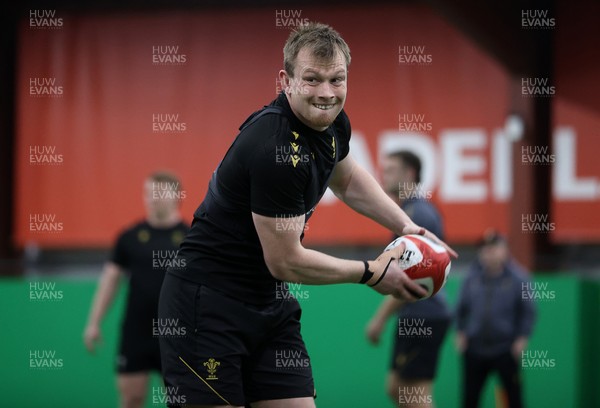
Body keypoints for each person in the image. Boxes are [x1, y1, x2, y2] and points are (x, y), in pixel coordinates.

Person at [158, 23, 456, 408]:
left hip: (269, 303)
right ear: (286, 80)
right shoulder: (274, 147)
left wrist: (405, 225)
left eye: (337, 79)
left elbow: (347, 180)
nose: (326, 93)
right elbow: (284, 261)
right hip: (207, 306)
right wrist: (370, 272)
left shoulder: (334, 124)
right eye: (312, 79)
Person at [83, 171, 189, 408]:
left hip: (177, 335)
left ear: (176, 196)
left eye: (159, 192)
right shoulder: (129, 237)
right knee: (131, 399)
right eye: (148, 193)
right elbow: (110, 281)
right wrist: (93, 322)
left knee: (181, 401)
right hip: (135, 333)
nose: (153, 198)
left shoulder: (191, 237)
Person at [365, 151, 452, 408]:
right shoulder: (407, 212)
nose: (383, 174)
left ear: (410, 174)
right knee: (397, 389)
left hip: (424, 315)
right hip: (418, 314)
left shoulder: (417, 214)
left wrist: (379, 319)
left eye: (391, 169)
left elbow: (410, 279)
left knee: (414, 394)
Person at [455, 230, 536, 408]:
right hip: (475, 349)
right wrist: (460, 332)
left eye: (493, 248)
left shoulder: (519, 278)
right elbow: (460, 309)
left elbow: (528, 311)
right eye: (484, 249)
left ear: (504, 250)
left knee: (514, 399)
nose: (488, 252)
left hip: (506, 350)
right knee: (469, 399)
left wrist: (522, 338)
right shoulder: (471, 277)